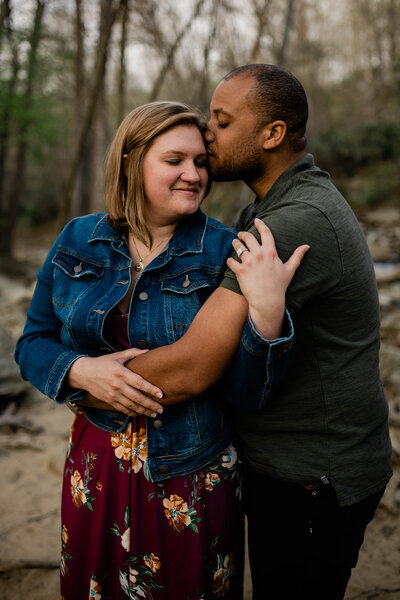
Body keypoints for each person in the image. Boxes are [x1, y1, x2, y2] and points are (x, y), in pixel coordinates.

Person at [88, 66, 392, 600]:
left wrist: (78, 373)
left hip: (313, 477)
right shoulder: (270, 206)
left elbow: (190, 369)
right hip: (291, 467)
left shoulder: (295, 220)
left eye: (223, 122)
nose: (208, 133)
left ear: (272, 135)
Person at [15, 101, 306, 600]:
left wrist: (267, 315)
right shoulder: (77, 238)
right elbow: (31, 344)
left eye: (200, 162)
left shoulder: (226, 251)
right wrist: (80, 372)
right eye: (175, 161)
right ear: (131, 161)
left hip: (192, 470)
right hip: (95, 465)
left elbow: (244, 392)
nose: (193, 175)